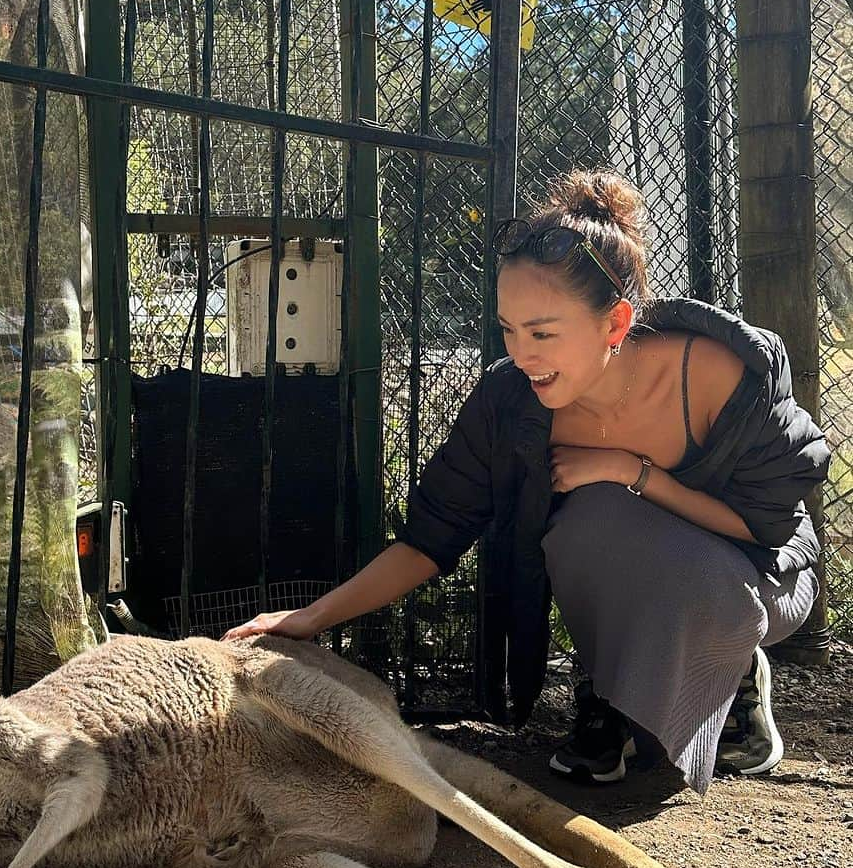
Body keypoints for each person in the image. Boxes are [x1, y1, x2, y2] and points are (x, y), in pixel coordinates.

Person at [223, 172, 830, 795]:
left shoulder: (719, 371)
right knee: (588, 519)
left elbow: (766, 528)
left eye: (542, 333)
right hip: (639, 576)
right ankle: (609, 692)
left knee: (609, 502)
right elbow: (432, 538)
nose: (523, 353)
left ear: (615, 324)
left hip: (757, 575)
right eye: (509, 330)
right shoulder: (510, 399)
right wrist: (310, 616)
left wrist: (632, 472)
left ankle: (732, 670)